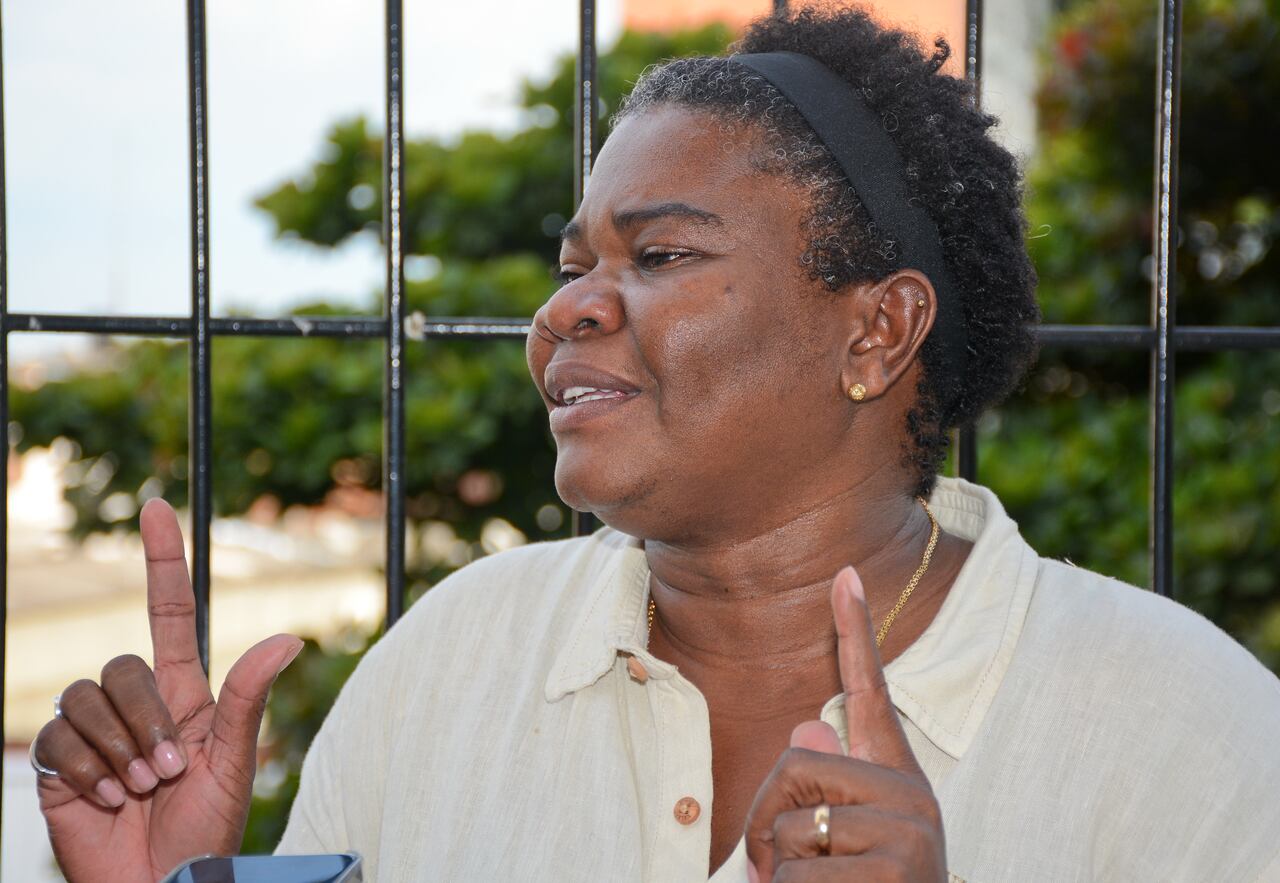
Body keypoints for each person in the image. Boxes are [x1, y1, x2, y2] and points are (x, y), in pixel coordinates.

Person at [31, 6, 1280, 882]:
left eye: (661, 255)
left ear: (878, 330)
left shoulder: (1183, 731)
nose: (565, 308)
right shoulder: (451, 665)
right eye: (573, 264)